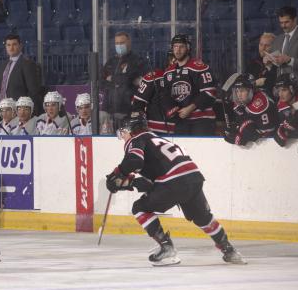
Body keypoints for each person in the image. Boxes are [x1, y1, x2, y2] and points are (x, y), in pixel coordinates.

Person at [105, 113, 246, 266]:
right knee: (203, 217)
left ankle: (167, 248)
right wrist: (127, 183)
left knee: (139, 208)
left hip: (173, 181)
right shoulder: (157, 140)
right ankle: (230, 251)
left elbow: (134, 161)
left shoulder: (137, 139)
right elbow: (150, 183)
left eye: (123, 134)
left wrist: (116, 174)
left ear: (131, 130)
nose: (123, 138)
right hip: (193, 178)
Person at [162, 34, 217, 135]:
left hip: (202, 119)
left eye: (181, 46)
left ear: (188, 48)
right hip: (181, 120)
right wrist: (172, 109)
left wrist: (190, 108)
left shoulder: (200, 67)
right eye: (175, 47)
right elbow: (165, 95)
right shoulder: (168, 72)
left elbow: (210, 92)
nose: (178, 50)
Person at [100, 31, 148, 130]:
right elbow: (100, 82)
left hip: (129, 112)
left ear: (129, 42)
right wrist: (118, 81)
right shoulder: (110, 62)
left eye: (122, 43)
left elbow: (128, 79)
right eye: (117, 43)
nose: (119, 46)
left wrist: (112, 78)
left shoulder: (137, 60)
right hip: (110, 112)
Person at [0, 34, 43, 114]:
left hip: (20, 112)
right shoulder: (3, 65)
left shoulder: (27, 64)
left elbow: (33, 91)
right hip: (3, 111)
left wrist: (29, 111)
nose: (11, 48)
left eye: (14, 44)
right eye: (8, 45)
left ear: (20, 46)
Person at [224, 74, 278, 146]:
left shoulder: (260, 101)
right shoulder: (240, 103)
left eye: (242, 91)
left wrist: (244, 136)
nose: (239, 95)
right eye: (237, 91)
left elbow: (268, 131)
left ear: (250, 90)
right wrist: (236, 129)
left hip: (270, 143)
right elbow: (242, 121)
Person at [132, 51, 176, 135]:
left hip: (180, 131)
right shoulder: (154, 76)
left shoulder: (188, 76)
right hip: (154, 130)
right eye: (172, 59)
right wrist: (141, 124)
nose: (174, 62)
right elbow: (137, 103)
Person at [246, 32, 277, 96]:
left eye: (267, 45)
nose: (263, 48)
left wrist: (269, 67)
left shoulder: (279, 64)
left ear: (274, 47)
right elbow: (246, 83)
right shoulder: (253, 63)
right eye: (261, 44)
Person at [270, 6, 298, 75]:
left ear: (295, 20)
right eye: (281, 22)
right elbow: (275, 65)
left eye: (286, 22)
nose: (283, 26)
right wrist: (268, 62)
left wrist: (289, 60)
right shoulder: (278, 39)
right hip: (280, 83)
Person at [273, 73, 298, 146]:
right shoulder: (279, 106)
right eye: (279, 90)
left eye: (284, 90)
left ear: (292, 89)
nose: (280, 94)